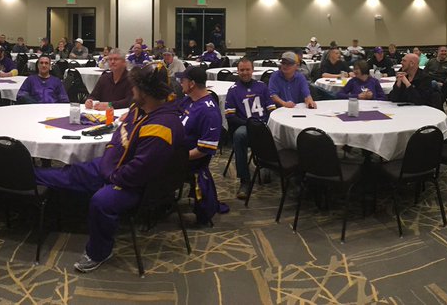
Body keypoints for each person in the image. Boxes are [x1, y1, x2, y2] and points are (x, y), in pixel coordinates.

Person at [35, 63, 182, 272]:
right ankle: (28, 176)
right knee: (74, 171)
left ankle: (99, 252)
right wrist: (108, 163)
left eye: (135, 87)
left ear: (145, 92)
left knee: (101, 201)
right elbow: (118, 136)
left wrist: (111, 175)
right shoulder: (138, 108)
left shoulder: (162, 126)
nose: (132, 90)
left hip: (140, 187)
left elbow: (139, 172)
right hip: (115, 168)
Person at [176, 66, 227, 225]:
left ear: (191, 84)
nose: (180, 83)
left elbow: (204, 150)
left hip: (189, 161)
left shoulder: (208, 112)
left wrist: (177, 157)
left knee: (146, 161)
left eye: (183, 80)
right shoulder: (189, 100)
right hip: (176, 150)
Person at [225, 58, 276, 199]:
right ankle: (244, 180)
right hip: (245, 126)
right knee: (239, 136)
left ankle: (269, 166)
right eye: (242, 70)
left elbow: (271, 109)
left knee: (278, 130)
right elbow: (230, 116)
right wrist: (249, 125)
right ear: (237, 71)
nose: (245, 72)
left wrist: (264, 124)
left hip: (264, 124)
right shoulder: (233, 90)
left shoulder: (262, 86)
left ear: (252, 70)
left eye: (247, 69)